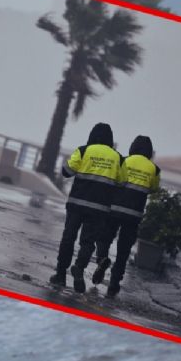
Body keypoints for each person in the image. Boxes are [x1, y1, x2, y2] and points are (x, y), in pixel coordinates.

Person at [50, 123, 120, 293]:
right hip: (99, 209)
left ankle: (60, 275)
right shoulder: (117, 157)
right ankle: (79, 268)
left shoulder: (83, 150)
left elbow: (67, 171)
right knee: (88, 242)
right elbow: (121, 181)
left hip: (77, 204)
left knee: (68, 237)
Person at [90, 135, 160, 298]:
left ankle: (102, 259)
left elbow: (114, 180)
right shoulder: (154, 169)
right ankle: (114, 283)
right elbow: (153, 189)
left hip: (114, 209)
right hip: (134, 214)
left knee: (103, 239)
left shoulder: (122, 160)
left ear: (133, 147)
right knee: (124, 250)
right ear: (149, 151)